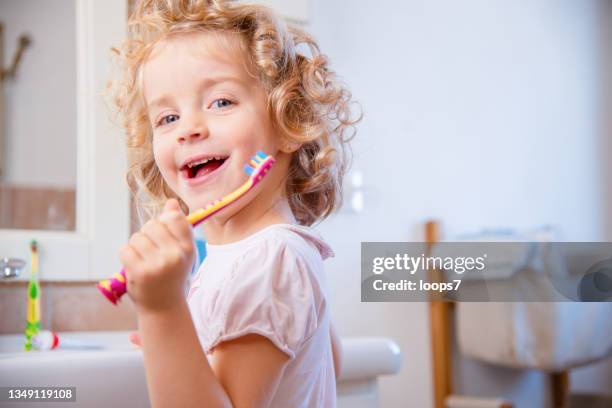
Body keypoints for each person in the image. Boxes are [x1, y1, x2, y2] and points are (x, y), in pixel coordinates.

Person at [111, 0, 359, 406]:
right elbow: (331, 361)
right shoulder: (271, 254)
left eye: (221, 102)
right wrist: (180, 347)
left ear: (288, 122)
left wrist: (161, 312)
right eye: (167, 118)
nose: (188, 129)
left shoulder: (273, 257)